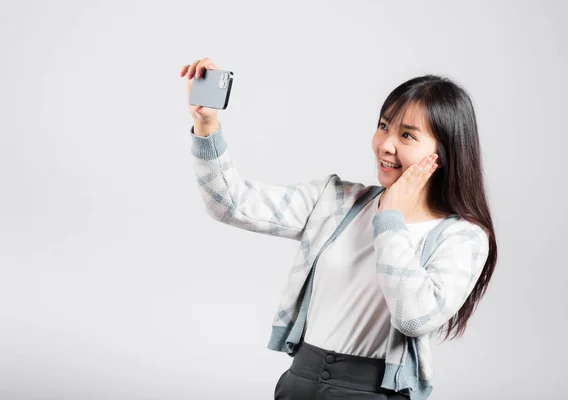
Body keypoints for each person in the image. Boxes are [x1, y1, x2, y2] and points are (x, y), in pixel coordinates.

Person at [180, 57, 497, 400]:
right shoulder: (336, 202)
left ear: (444, 152)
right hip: (300, 380)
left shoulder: (463, 237)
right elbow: (230, 204)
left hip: (373, 390)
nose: (386, 145)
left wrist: (390, 219)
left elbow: (414, 317)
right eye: (383, 126)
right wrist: (206, 125)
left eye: (407, 135)